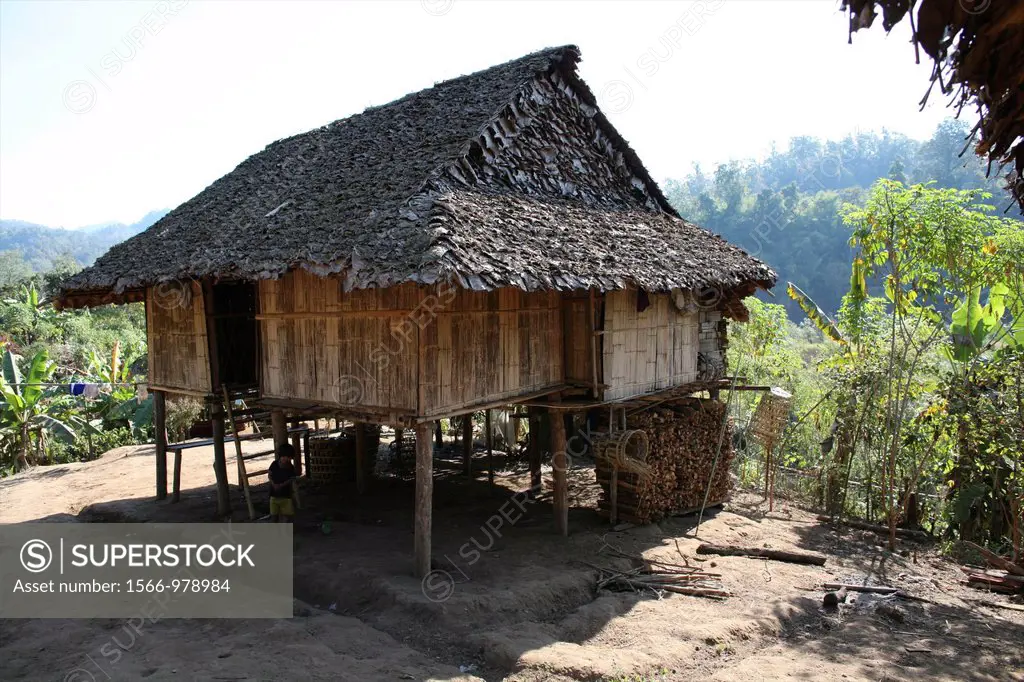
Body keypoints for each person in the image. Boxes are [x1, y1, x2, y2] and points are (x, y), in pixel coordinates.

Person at [268, 443, 297, 522]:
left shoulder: (291, 467)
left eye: (289, 458)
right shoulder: (274, 464)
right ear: (281, 456)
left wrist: (281, 485)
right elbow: (269, 475)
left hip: (286, 496)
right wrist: (273, 484)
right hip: (274, 495)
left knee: (286, 517)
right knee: (273, 517)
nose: (286, 459)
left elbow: (291, 479)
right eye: (285, 457)